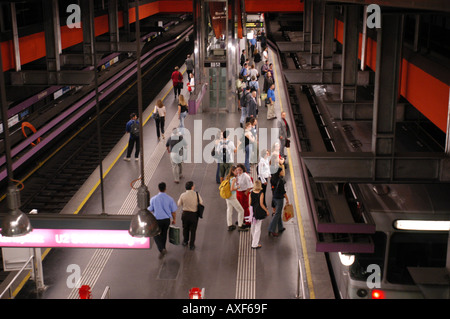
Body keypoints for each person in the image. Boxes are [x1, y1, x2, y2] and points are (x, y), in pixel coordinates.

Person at [148, 182, 178, 258]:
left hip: (157, 220)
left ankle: (161, 248)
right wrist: (174, 219)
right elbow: (173, 211)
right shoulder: (170, 199)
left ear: (158, 189)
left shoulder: (153, 199)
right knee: (164, 234)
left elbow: (150, 209)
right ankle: (163, 247)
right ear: (165, 189)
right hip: (166, 220)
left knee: (155, 234)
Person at [177, 181, 204, 250]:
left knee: (185, 228)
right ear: (192, 187)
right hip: (194, 215)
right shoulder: (197, 194)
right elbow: (201, 202)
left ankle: (185, 241)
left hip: (185, 214)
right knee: (193, 230)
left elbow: (179, 204)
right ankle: (191, 245)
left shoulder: (183, 195)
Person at [223, 166, 246, 231]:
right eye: (236, 171)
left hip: (227, 196)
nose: (237, 172)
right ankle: (240, 225)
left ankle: (230, 225)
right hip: (232, 197)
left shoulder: (228, 177)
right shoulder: (233, 179)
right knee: (241, 210)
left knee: (229, 210)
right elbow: (231, 189)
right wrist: (238, 187)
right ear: (233, 171)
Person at [268, 166, 289, 237]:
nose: (282, 172)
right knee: (277, 214)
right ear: (279, 172)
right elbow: (283, 191)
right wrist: (287, 199)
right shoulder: (280, 181)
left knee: (278, 212)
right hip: (279, 198)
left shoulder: (272, 179)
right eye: (281, 171)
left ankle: (280, 227)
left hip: (274, 197)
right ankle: (271, 229)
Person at [250, 180, 269, 249]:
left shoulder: (251, 193)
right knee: (258, 228)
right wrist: (266, 210)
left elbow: (250, 203)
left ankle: (254, 239)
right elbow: (261, 204)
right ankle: (254, 244)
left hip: (253, 211)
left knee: (253, 226)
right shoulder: (261, 193)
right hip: (259, 211)